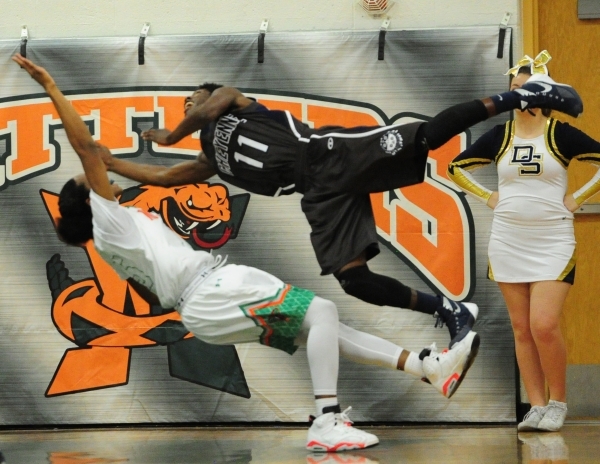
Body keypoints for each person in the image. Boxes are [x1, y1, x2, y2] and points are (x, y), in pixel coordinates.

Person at [13, 53, 481, 453]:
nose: (102, 181)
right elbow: (86, 146)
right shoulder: (109, 219)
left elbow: (156, 173)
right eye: (90, 182)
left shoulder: (117, 228)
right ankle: (326, 421)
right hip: (212, 291)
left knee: (321, 328)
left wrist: (126, 159)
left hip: (204, 305)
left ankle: (427, 366)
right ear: (89, 204)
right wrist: (51, 86)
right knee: (322, 313)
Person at [99, 61, 582, 350]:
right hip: (318, 193)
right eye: (184, 104)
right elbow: (160, 176)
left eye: (192, 97)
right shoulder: (209, 161)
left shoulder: (229, 102)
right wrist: (105, 163)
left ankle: (524, 94)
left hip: (328, 151)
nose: (189, 104)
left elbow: (204, 110)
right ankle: (452, 310)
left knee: (428, 136)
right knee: (354, 281)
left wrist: (170, 132)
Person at [447, 51, 600, 433]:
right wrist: (488, 197)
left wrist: (578, 199)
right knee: (522, 328)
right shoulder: (500, 136)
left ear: (545, 95)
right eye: (514, 90)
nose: (519, 97)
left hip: (552, 239)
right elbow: (455, 168)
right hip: (508, 239)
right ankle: (536, 405)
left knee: (544, 324)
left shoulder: (560, 133)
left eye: (527, 90)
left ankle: (559, 401)